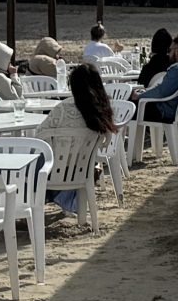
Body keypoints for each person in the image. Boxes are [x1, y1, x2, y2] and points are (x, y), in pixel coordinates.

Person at [35, 63, 120, 215]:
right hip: (82, 170)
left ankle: (27, 208)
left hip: (53, 172)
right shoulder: (102, 111)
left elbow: (40, 136)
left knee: (29, 164)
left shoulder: (63, 108)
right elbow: (106, 142)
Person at [133, 37, 178, 123]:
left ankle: (122, 135)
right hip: (175, 110)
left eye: (170, 50)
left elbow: (161, 92)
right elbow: (163, 89)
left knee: (126, 105)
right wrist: (144, 92)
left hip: (164, 112)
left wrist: (139, 95)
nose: (168, 54)